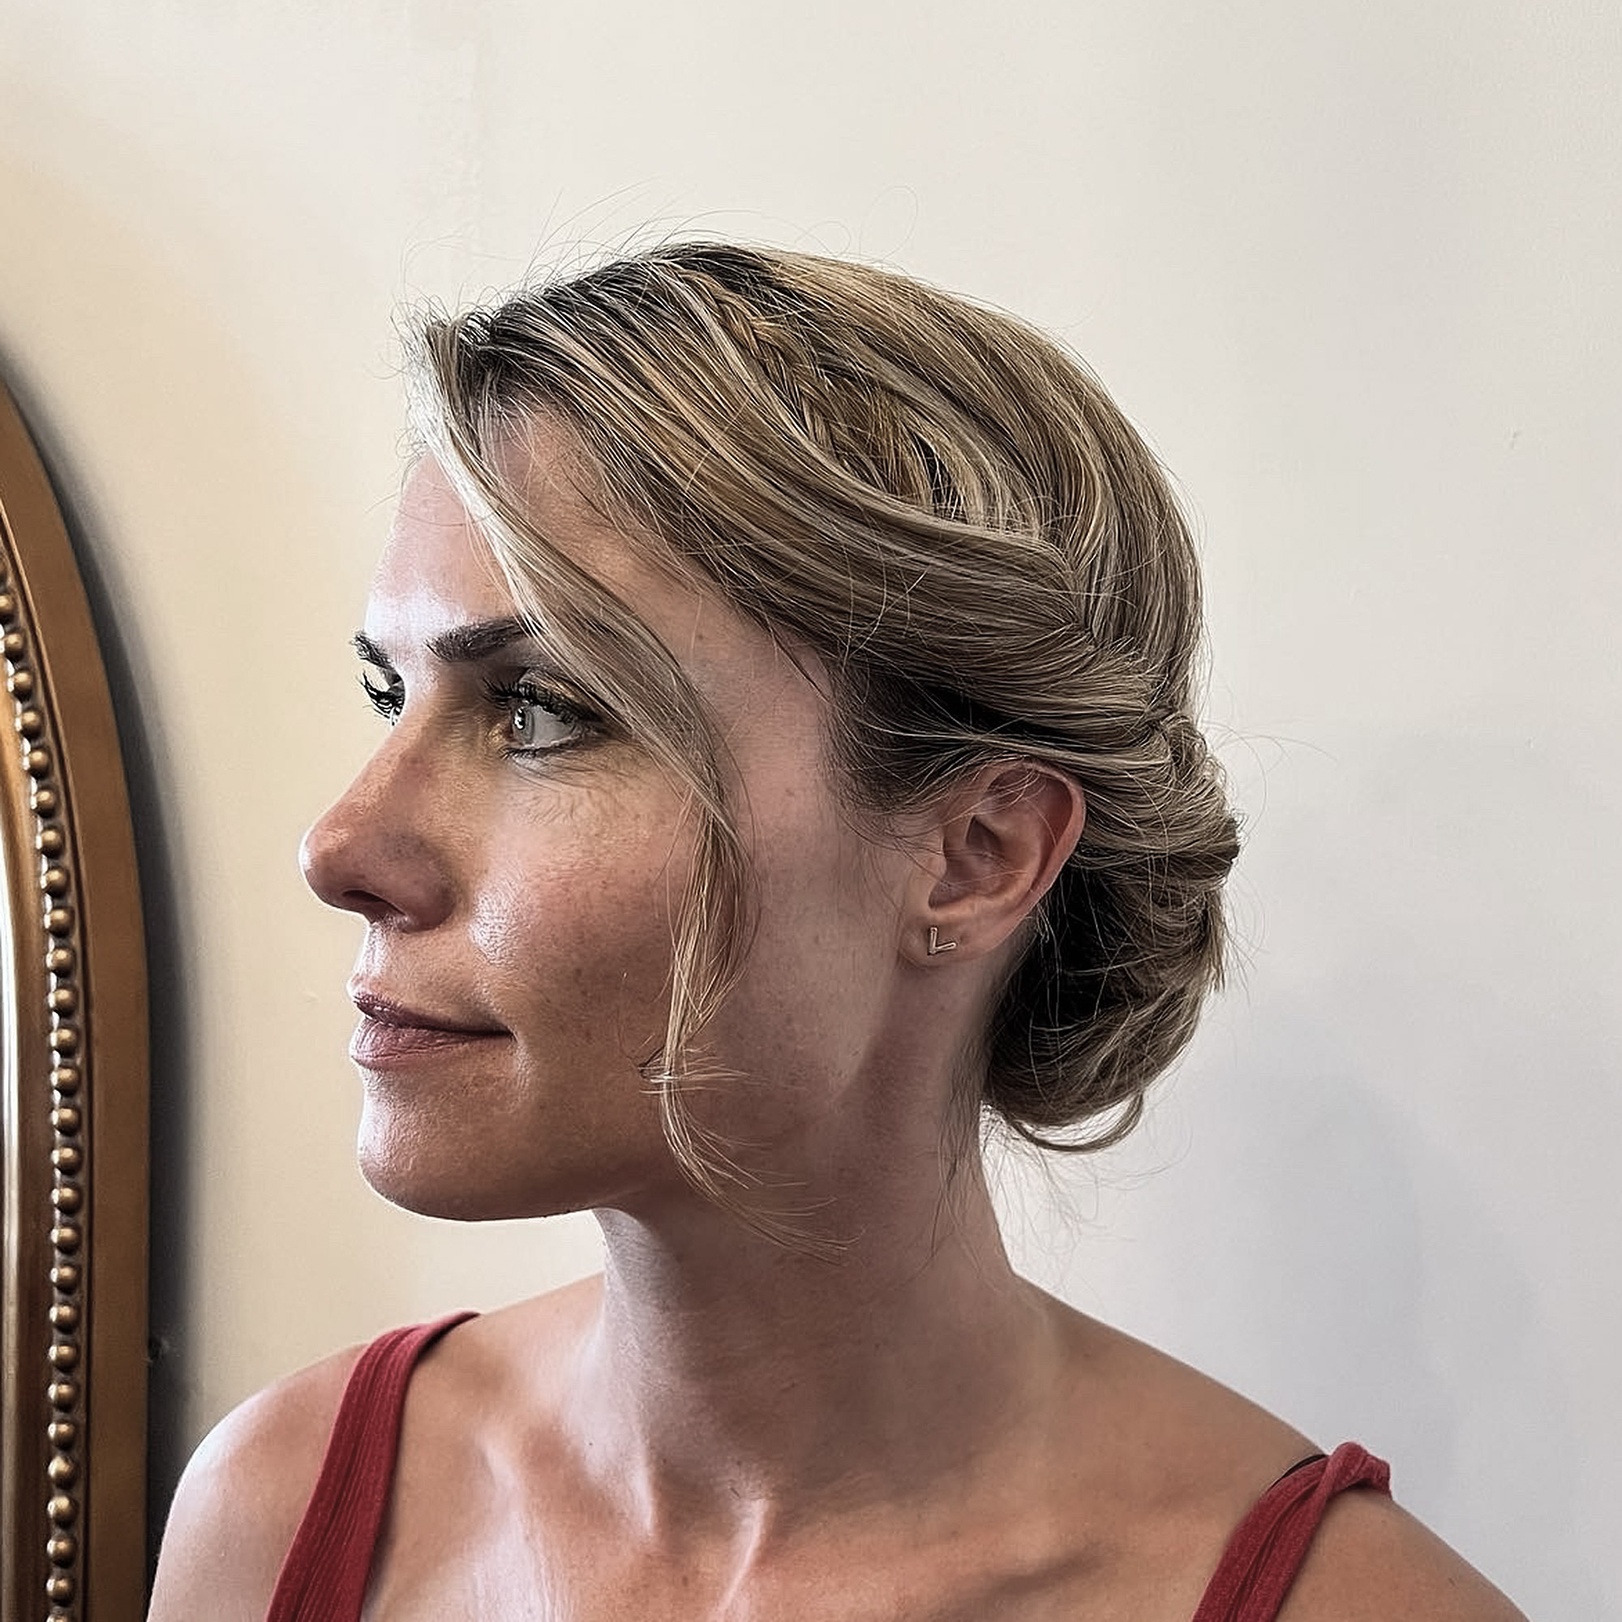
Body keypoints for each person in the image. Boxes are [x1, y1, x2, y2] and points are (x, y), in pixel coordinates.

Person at [148, 242, 1524, 1620]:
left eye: (542, 710)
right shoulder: (285, 1509)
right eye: (390, 695)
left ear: (977, 855)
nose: (340, 849)